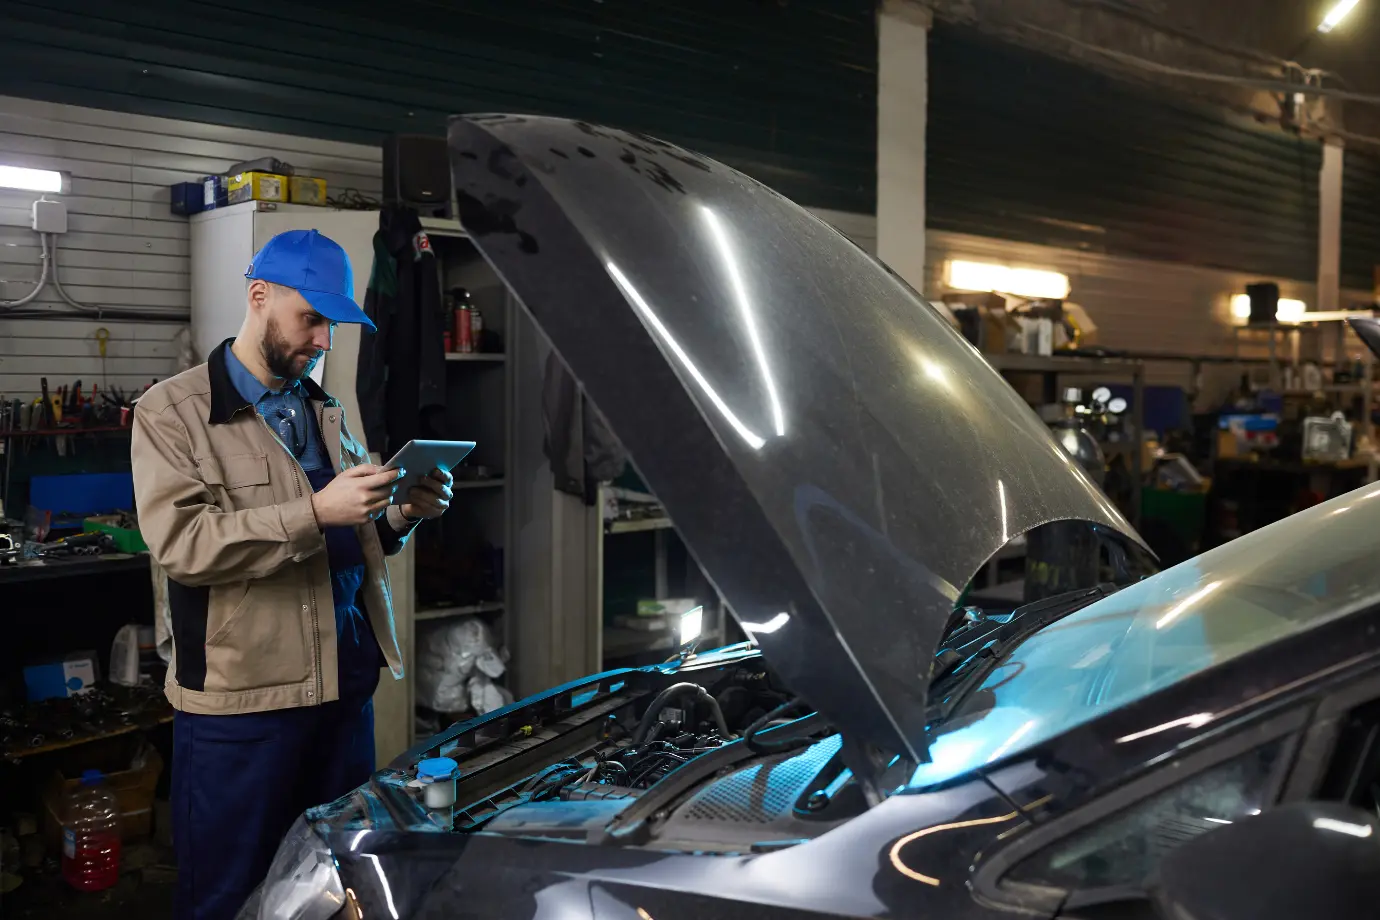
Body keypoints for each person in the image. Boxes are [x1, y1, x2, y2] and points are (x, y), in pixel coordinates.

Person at [130, 229, 454, 920]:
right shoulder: (173, 412)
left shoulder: (323, 409)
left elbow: (346, 542)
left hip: (342, 698)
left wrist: (400, 516)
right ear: (259, 296)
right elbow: (183, 545)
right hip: (243, 709)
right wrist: (313, 511)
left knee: (333, 892)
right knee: (228, 895)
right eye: (311, 319)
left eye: (331, 324)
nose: (322, 341)